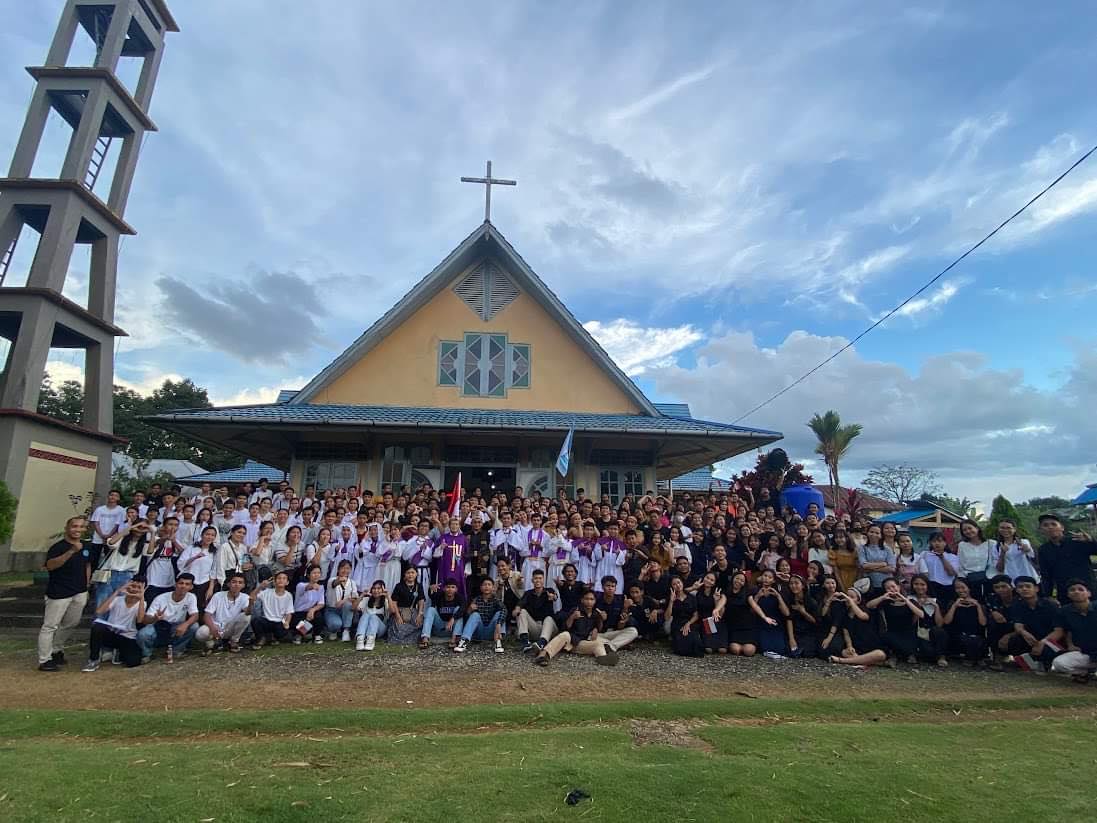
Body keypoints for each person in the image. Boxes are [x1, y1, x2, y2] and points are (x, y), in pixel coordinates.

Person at [38, 516, 91, 672]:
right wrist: (71, 551)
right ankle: (44, 659)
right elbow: (50, 566)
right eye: (74, 526)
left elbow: (87, 565)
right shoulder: (58, 547)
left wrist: (86, 584)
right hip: (59, 592)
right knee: (50, 626)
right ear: (67, 528)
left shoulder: (86, 546)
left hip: (79, 591)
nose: (77, 529)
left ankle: (56, 650)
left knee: (71, 623)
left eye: (81, 527)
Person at [533, 589, 617, 667]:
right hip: (571, 641)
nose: (589, 602)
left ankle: (603, 658)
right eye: (586, 599)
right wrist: (572, 617)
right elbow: (565, 627)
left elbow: (600, 629)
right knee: (565, 634)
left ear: (595, 601)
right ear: (582, 600)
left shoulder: (596, 614)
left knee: (599, 643)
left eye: (592, 599)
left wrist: (600, 621)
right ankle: (543, 654)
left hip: (583, 643)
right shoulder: (576, 610)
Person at [81, 578, 146, 671]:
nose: (134, 589)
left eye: (138, 587)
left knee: (133, 662)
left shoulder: (143, 604)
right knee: (97, 627)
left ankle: (118, 653)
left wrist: (141, 597)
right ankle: (93, 659)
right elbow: (99, 611)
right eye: (133, 586)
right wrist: (117, 591)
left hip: (127, 637)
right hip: (111, 633)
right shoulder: (117, 600)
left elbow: (140, 620)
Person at [137, 573, 200, 662]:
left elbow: (195, 615)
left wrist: (185, 624)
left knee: (194, 626)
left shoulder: (191, 597)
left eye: (187, 584)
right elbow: (145, 620)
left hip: (176, 626)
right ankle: (147, 654)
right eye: (181, 583)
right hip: (159, 625)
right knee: (143, 634)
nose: (183, 586)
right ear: (176, 584)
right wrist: (155, 618)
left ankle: (176, 650)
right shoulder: (161, 598)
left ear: (191, 587)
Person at [1007, 575, 1064, 672]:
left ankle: (1045, 665)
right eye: (1020, 587)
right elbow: (1018, 625)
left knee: (1047, 649)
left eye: (1028, 586)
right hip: (1032, 639)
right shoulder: (1017, 605)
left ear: (1036, 589)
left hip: (1051, 640)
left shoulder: (1050, 605)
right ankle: (1030, 665)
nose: (1024, 589)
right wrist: (1024, 633)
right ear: (1016, 590)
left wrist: (1042, 643)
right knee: (1015, 640)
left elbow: (1059, 631)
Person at [1045, 579, 1097, 682]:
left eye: (1081, 589)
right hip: (1085, 653)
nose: (1076, 592)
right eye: (1072, 590)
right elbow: (1067, 630)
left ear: (1089, 593)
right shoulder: (1064, 611)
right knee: (1059, 664)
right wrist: (1070, 645)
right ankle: (1085, 673)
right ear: (1068, 594)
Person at [1036, 515, 1096, 601]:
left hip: (1087, 589)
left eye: (1053, 524)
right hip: (1065, 592)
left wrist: (1091, 541)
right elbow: (1046, 575)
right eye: (1045, 525)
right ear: (1041, 530)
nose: (1050, 527)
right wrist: (1048, 596)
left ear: (1062, 527)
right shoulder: (1043, 550)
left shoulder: (1077, 541)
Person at [867, 577, 924, 667]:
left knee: (911, 644)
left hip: (908, 634)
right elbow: (869, 605)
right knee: (884, 638)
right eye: (888, 588)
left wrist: (905, 600)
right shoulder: (886, 602)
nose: (891, 589)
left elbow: (921, 614)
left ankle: (905, 654)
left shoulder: (910, 601)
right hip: (892, 633)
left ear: (898, 587)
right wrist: (883, 597)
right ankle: (895, 656)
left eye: (893, 586)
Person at [828, 588, 887, 667]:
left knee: (880, 654)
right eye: (847, 596)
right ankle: (869, 661)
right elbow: (846, 633)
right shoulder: (845, 615)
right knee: (844, 652)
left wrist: (851, 601)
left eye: (852, 597)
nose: (848, 599)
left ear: (858, 601)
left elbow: (862, 616)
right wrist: (850, 646)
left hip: (871, 644)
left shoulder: (864, 609)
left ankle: (841, 660)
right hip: (858, 646)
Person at [196, 572, 252, 654]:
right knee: (200, 633)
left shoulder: (245, 597)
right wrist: (213, 628)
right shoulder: (218, 595)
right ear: (229, 584)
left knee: (246, 617)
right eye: (234, 582)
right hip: (216, 626)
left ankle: (234, 641)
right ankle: (211, 643)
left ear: (243, 585)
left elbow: (247, 612)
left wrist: (251, 603)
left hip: (230, 627)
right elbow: (207, 615)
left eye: (240, 582)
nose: (237, 585)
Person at [455, 576, 506, 654]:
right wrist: (469, 610)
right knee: (475, 615)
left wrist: (498, 624)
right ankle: (464, 641)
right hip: (478, 632)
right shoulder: (476, 600)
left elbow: (504, 610)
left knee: (500, 613)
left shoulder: (496, 600)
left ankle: (498, 642)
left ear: (493, 588)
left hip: (493, 633)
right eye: (484, 585)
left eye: (489, 585)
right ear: (481, 588)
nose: (487, 587)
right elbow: (467, 619)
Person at [943, 578, 988, 666]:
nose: (960, 590)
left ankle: (975, 657)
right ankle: (971, 658)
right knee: (965, 640)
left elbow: (983, 623)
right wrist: (954, 606)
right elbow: (946, 622)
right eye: (957, 588)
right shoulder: (952, 603)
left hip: (976, 635)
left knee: (976, 640)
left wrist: (978, 606)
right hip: (960, 635)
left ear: (969, 588)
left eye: (963, 587)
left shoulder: (979, 603)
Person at [909, 574, 948, 667]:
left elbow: (939, 624)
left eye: (922, 584)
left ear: (927, 586)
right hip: (917, 631)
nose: (919, 587)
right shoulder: (909, 599)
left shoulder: (934, 600)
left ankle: (941, 656)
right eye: (916, 584)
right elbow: (911, 622)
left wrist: (936, 607)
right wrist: (918, 607)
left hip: (931, 632)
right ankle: (913, 654)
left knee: (939, 631)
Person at [514, 569, 558, 652]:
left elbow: (555, 596)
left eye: (540, 578)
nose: (538, 580)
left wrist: (553, 597)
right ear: (532, 580)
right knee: (522, 611)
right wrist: (517, 609)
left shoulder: (549, 590)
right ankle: (525, 642)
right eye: (536, 578)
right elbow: (520, 603)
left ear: (543, 580)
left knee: (549, 619)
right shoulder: (528, 593)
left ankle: (542, 643)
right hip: (535, 628)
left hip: (549, 629)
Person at [750, 568, 789, 657]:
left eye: (770, 577)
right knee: (765, 648)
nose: (766, 579)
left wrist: (778, 597)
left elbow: (786, 613)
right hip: (761, 625)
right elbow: (752, 611)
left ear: (773, 580)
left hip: (775, 625)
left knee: (780, 649)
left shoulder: (777, 591)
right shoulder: (755, 590)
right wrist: (757, 597)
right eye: (765, 576)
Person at [250, 571, 295, 647]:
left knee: (284, 634)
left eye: (284, 578)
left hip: (280, 622)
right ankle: (261, 638)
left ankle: (272, 637)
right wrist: (260, 587)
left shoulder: (288, 595)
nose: (281, 580)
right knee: (256, 620)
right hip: (267, 620)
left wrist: (287, 622)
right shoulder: (267, 592)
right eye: (279, 578)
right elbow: (252, 596)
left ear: (287, 582)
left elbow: (289, 612)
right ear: (274, 582)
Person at [956, 519, 997, 602]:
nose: (968, 531)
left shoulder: (991, 543)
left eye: (970, 528)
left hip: (989, 579)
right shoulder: (962, 545)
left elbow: (995, 561)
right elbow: (960, 564)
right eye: (964, 530)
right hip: (971, 581)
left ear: (977, 528)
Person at [596, 576, 639, 652]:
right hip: (600, 634)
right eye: (608, 586)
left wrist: (625, 609)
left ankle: (610, 646)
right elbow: (597, 628)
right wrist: (600, 619)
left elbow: (620, 626)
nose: (610, 588)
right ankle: (619, 644)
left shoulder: (620, 600)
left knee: (633, 631)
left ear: (615, 588)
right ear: (602, 587)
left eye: (613, 586)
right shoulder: (597, 600)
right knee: (589, 636)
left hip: (615, 632)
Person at [916, 532, 959, 606]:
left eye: (940, 541)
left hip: (947, 587)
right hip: (930, 587)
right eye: (934, 541)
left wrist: (942, 558)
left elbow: (952, 573)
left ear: (945, 543)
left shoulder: (952, 557)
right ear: (930, 543)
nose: (937, 543)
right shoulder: (924, 554)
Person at [388, 567, 427, 647]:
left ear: (416, 574)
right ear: (404, 574)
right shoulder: (399, 586)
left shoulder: (419, 586)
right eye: (408, 573)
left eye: (412, 572)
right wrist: (397, 616)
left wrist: (420, 614)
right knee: (399, 628)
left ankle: (411, 637)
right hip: (400, 611)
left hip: (413, 611)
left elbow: (421, 601)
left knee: (419, 624)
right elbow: (394, 602)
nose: (410, 575)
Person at [422, 578, 466, 648]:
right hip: (440, 628)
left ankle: (454, 639)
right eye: (448, 587)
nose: (450, 589)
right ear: (444, 589)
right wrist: (430, 589)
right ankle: (425, 638)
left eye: (453, 587)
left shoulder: (460, 598)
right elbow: (432, 596)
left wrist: (453, 618)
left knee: (458, 609)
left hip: (452, 630)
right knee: (431, 609)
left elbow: (462, 610)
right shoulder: (440, 596)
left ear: (456, 589)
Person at [667, 575, 704, 657]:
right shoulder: (670, 598)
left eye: (678, 582)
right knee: (680, 649)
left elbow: (696, 615)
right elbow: (667, 617)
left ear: (682, 583)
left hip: (690, 623)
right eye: (674, 584)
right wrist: (671, 601)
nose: (677, 585)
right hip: (677, 624)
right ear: (671, 587)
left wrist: (688, 623)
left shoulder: (691, 597)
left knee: (697, 645)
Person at [723, 571, 757, 657]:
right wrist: (716, 609)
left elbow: (755, 606)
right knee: (736, 650)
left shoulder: (747, 593)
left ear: (744, 583)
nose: (739, 581)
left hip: (747, 626)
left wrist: (765, 617)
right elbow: (722, 603)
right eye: (737, 578)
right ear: (733, 579)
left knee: (749, 651)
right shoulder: (726, 592)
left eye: (742, 580)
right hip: (733, 627)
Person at [290, 564, 326, 645]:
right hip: (299, 614)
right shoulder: (300, 585)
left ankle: (316, 635)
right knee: (305, 623)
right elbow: (307, 587)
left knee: (318, 616)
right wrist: (312, 586)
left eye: (318, 573)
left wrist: (312, 610)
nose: (316, 575)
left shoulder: (320, 587)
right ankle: (299, 634)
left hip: (310, 613)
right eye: (314, 573)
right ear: (309, 575)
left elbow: (321, 603)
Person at [324, 560, 359, 641]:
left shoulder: (352, 582)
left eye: (347, 568)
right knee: (335, 624)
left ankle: (346, 630)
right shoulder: (331, 580)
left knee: (348, 604)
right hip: (332, 610)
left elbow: (354, 597)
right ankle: (334, 631)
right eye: (342, 568)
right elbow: (334, 584)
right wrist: (340, 580)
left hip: (345, 610)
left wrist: (343, 601)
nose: (345, 570)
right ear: (338, 569)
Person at [784, 574, 818, 658]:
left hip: (808, 632)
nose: (793, 586)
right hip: (794, 631)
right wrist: (791, 638)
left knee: (808, 653)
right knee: (788, 650)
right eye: (791, 583)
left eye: (796, 583)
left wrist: (803, 612)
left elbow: (815, 621)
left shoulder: (811, 601)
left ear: (802, 585)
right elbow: (789, 619)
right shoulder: (789, 599)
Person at [994, 519, 1039, 583]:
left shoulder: (1023, 542)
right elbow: (999, 569)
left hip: (1028, 577)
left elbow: (1032, 556)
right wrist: (1002, 553)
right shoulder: (996, 546)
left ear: (1014, 529)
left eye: (1008, 528)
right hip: (1011, 580)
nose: (1005, 530)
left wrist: (1026, 549)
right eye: (1002, 528)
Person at [355, 580, 390, 651]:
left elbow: (393, 611)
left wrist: (388, 596)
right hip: (365, 629)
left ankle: (370, 640)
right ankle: (360, 639)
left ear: (383, 590)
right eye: (374, 588)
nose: (376, 590)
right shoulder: (367, 599)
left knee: (373, 616)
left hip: (379, 630)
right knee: (366, 614)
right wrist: (362, 595)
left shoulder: (385, 601)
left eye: (379, 588)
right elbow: (353, 608)